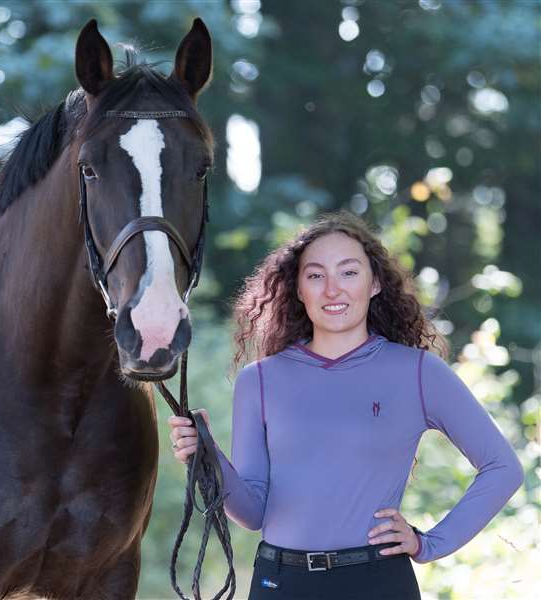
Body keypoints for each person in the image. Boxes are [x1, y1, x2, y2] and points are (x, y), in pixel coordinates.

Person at [167, 210, 524, 600]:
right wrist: (207, 456)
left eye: (349, 272)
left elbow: (502, 468)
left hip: (377, 582)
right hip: (279, 583)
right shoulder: (259, 380)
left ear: (374, 284)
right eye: (316, 275)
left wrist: (429, 543)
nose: (332, 289)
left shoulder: (418, 372)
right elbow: (253, 513)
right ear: (298, 289)